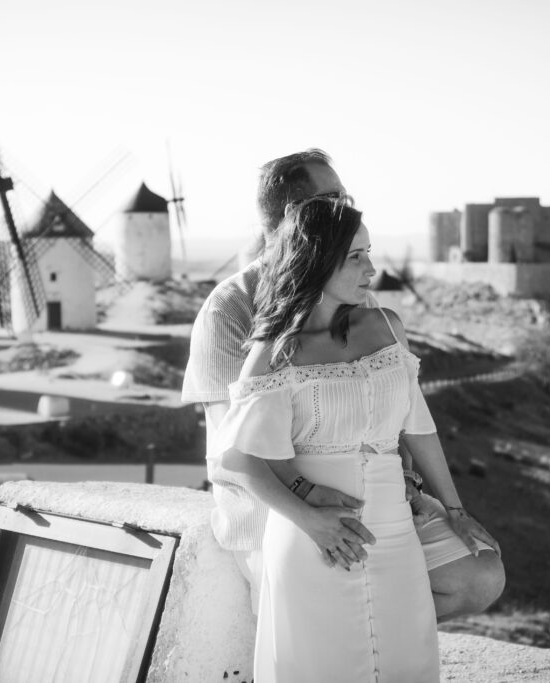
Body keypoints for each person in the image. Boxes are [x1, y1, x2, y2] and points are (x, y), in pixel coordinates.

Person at [181, 149, 504, 619]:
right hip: (277, 512)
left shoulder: (355, 297)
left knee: (477, 578)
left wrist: (411, 486)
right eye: (335, 197)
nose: (349, 208)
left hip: (375, 498)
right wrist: (311, 505)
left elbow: (398, 413)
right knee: (340, 601)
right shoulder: (229, 308)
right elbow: (232, 447)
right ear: (298, 217)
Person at [219, 197, 453, 680]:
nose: (371, 267)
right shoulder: (275, 351)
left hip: (394, 533)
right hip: (313, 542)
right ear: (317, 261)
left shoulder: (387, 327)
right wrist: (310, 517)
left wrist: (457, 511)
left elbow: (421, 427)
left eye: (369, 252)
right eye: (355, 256)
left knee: (407, 660)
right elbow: (237, 460)